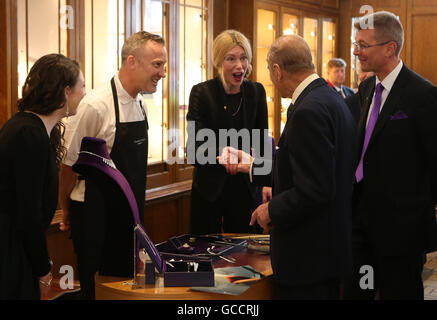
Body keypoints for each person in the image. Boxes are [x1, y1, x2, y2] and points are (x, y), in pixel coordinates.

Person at [219, 35, 356, 299]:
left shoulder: (308, 111)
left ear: (277, 71)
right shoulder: (330, 99)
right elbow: (302, 165)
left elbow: (315, 189)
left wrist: (271, 209)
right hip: (327, 251)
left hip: (308, 258)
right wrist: (251, 166)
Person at [59, 31, 166, 299]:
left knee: (124, 291)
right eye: (157, 64)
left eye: (163, 65)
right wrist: (65, 210)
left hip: (128, 217)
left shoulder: (140, 102)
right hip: (95, 216)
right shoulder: (95, 106)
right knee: (96, 292)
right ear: (132, 61)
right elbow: (69, 165)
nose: (163, 72)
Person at [343, 11, 437, 300]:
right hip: (359, 219)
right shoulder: (367, 88)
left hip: (401, 228)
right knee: (359, 291)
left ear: (389, 48)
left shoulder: (423, 94)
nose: (356, 51)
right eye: (355, 44)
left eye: (362, 44)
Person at [0, 54, 85, 299]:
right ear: (66, 91)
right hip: (11, 249)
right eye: (82, 86)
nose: (85, 93)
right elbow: (28, 212)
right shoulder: (29, 133)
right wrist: (42, 269)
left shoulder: (32, 128)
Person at [186, 29, 268, 235]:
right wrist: (226, 155)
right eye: (231, 59)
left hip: (245, 189)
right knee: (203, 255)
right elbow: (195, 149)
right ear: (218, 61)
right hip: (208, 190)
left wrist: (267, 180)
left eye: (243, 58)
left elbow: (261, 141)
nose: (239, 65)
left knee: (244, 255)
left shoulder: (256, 92)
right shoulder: (201, 92)